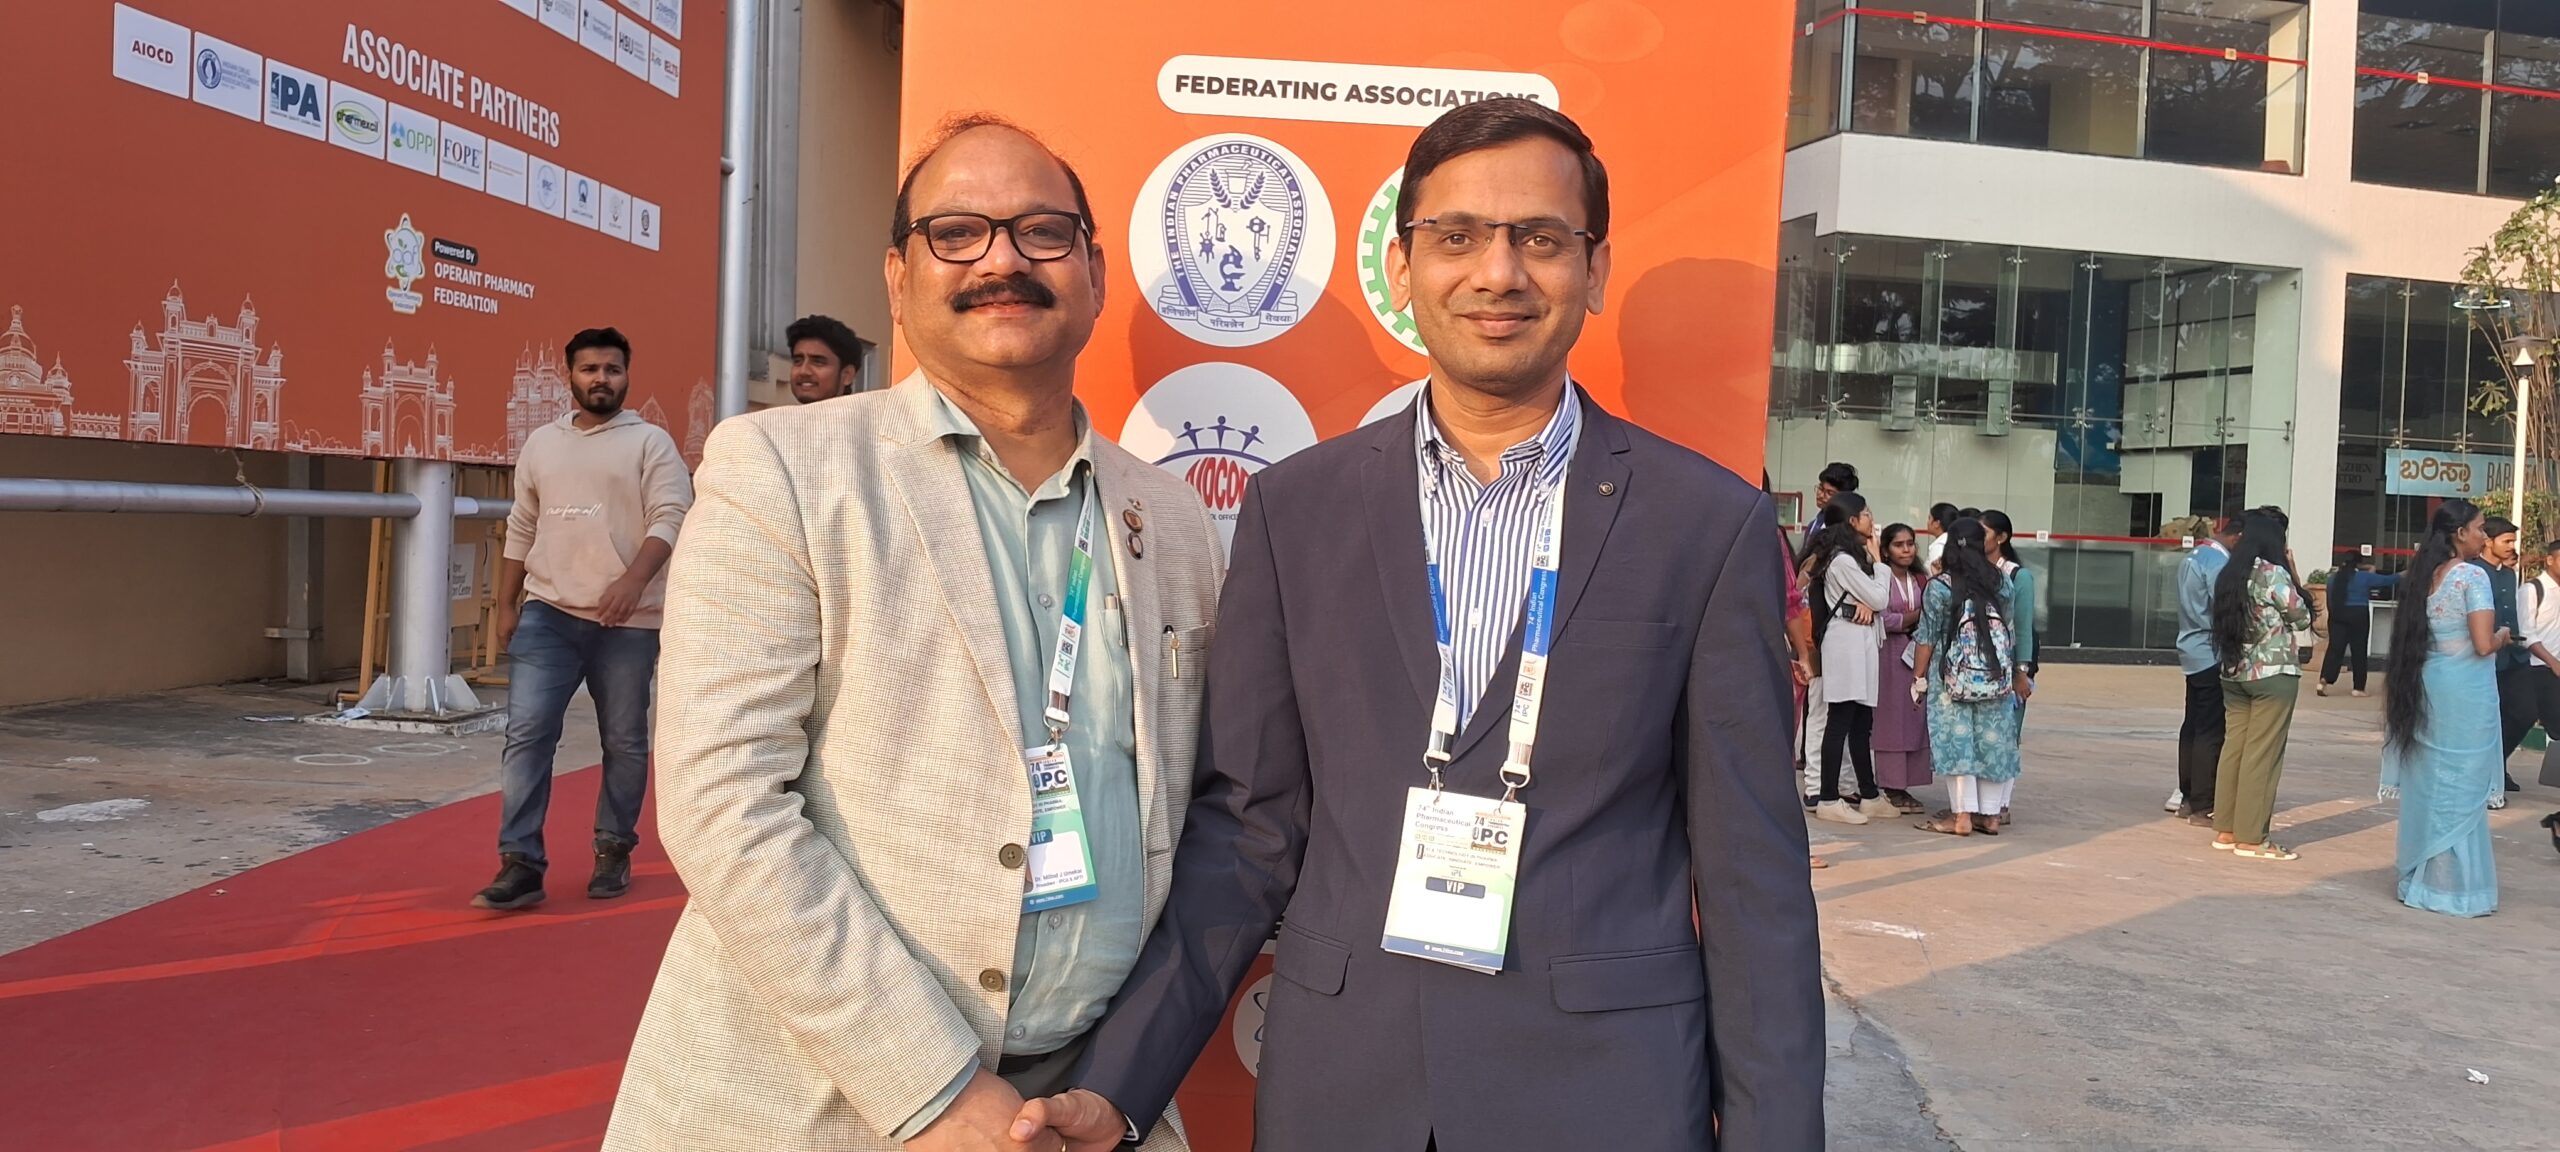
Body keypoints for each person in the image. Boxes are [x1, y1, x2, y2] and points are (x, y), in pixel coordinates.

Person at [1022, 97, 1824, 1152]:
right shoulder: (1296, 511)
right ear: (1402, 267)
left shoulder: (1705, 523)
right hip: (1345, 1092)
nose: (1498, 272)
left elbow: (1752, 876)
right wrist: (1119, 1085)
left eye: (1541, 238)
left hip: (1607, 1094)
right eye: (1456, 236)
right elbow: (1249, 834)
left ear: (1594, 268)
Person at [601, 117, 1223, 1152]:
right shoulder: (782, 470)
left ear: (1095, 274)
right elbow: (724, 803)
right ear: (899, 279)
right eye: (957, 233)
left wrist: (1120, 1082)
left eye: (1042, 232)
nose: (1003, 261)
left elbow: (1200, 817)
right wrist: (934, 1087)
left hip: (1083, 1107)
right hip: (827, 1101)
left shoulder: (1174, 519)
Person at [476, 327, 695, 912]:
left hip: (628, 623)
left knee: (623, 741)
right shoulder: (542, 444)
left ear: (627, 375)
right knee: (527, 736)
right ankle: (520, 863)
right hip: (547, 614)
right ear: (569, 375)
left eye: (612, 369)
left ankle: (613, 847)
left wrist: (633, 582)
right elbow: (522, 524)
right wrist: (507, 604)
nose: (602, 379)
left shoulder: (650, 443)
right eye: (590, 369)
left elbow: (671, 516)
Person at [2379, 500, 2502, 916]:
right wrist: (2503, 636)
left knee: (2432, 780)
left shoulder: (2423, 575)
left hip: (2429, 684)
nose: (2484, 536)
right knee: (2463, 782)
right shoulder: (2472, 576)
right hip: (2463, 692)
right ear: (2460, 532)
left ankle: (2423, 876)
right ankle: (2451, 886)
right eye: (2480, 528)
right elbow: (2482, 644)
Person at [2207, 509, 2314, 859]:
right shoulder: (2273, 573)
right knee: (2263, 755)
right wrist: (2292, 572)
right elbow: (2301, 616)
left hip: (2234, 671)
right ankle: (2252, 838)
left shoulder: (2230, 573)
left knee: (2234, 750)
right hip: (2272, 674)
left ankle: (2226, 829)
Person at [1909, 518, 2020, 836]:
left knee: (1957, 742)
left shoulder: (1940, 586)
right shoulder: (2001, 581)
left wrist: (1918, 679)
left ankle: (1961, 817)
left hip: (1950, 679)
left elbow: (1927, 638)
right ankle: (1991, 816)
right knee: (1993, 742)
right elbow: (2008, 627)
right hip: (1995, 676)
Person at [1809, 492, 1892, 824]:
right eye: (1866, 514)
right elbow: (1880, 598)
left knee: (1861, 722)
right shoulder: (1842, 560)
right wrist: (1880, 564)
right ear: (1852, 521)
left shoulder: (1853, 558)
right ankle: (1828, 797)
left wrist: (1871, 595)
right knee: (1840, 720)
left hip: (1860, 640)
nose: (1872, 519)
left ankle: (1869, 794)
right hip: (1846, 642)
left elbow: (1873, 600)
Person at [2172, 513, 2242, 820]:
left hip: (2191, 650)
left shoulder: (2194, 556)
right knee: (2210, 729)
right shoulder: (2218, 563)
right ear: (2238, 538)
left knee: (2193, 724)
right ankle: (2203, 802)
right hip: (2211, 651)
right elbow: (2224, 608)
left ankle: (2188, 796)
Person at [1874, 522, 1933, 812]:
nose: (1907, 549)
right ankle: (1890, 785)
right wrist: (1918, 615)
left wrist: (1914, 619)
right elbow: (1883, 619)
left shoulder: (1921, 579)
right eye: (1899, 545)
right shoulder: (1879, 578)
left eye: (1910, 543)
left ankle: (1905, 783)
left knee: (1914, 717)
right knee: (1890, 720)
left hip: (1917, 654)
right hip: (1887, 655)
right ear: (1886, 550)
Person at [1981, 510, 2037, 820]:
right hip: (1976, 668)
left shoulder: (2018, 576)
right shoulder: (1973, 571)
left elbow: (2024, 628)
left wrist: (2021, 672)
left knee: (2006, 736)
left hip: (2009, 668)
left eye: (1984, 533)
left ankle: (2001, 804)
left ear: (2001, 538)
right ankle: (1978, 803)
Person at [2474, 516, 2530, 802]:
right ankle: (2488, 775)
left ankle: (2498, 762)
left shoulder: (2509, 574)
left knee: (2525, 711)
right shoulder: (2473, 572)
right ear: (2488, 541)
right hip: (2485, 656)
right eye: (2506, 541)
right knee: (2486, 719)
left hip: (2515, 655)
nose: (2511, 546)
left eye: (2513, 541)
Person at [2317, 556, 2394, 697]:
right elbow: (2388, 580)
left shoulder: (2333, 578)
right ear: (2358, 564)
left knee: (2335, 649)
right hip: (2358, 614)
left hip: (2337, 615)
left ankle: (2324, 679)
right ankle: (2358, 688)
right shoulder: (2363, 577)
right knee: (2359, 651)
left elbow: (2330, 600)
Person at [784, 313, 864, 404]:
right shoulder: (779, 413)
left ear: (847, 375)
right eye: (797, 361)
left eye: (818, 362)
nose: (803, 371)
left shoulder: (870, 412)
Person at [1923, 501, 1959, 572]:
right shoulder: (1954, 540)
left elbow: (1935, 574)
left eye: (1929, 518)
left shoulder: (1939, 547)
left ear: (1937, 523)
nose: (1928, 522)